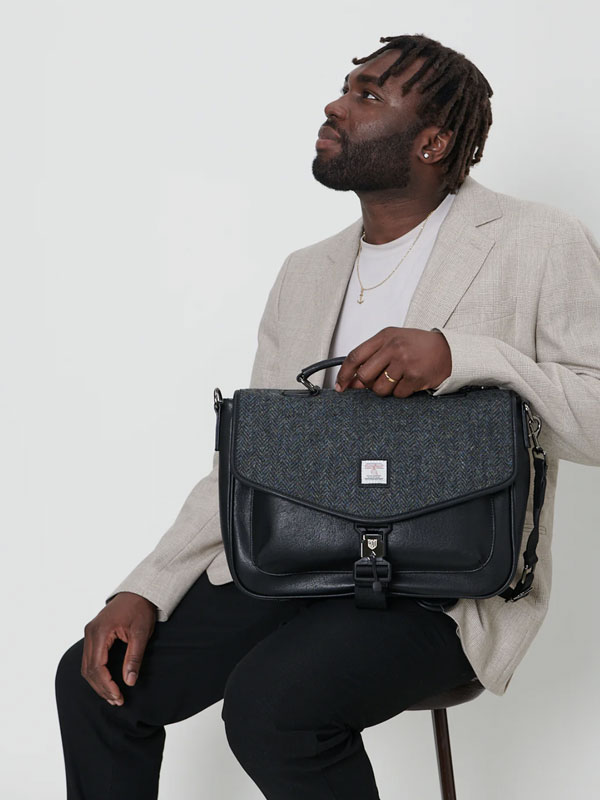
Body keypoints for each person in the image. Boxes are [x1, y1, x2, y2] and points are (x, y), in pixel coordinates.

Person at [55, 33, 600, 799]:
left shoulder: (537, 241)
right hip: (300, 559)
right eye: (346, 88)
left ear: (434, 142)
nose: (335, 106)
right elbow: (249, 465)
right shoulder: (306, 273)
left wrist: (459, 357)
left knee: (273, 706)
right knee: (96, 681)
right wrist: (144, 588)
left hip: (444, 587)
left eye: (368, 95)